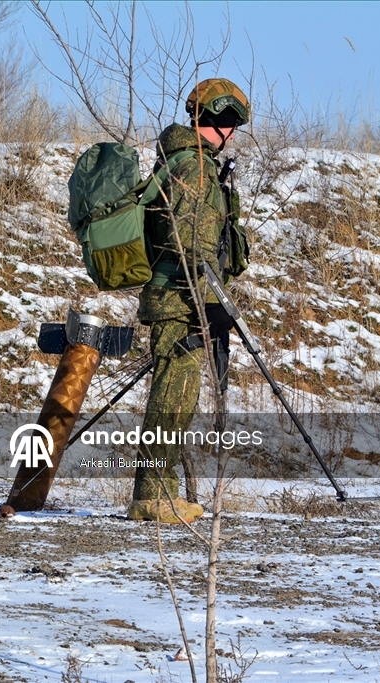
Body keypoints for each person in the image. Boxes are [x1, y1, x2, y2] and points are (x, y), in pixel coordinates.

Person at [127, 78, 251, 523]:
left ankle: (155, 491)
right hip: (182, 297)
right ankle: (154, 495)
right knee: (174, 394)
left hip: (179, 294)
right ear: (221, 122)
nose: (233, 134)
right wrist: (212, 306)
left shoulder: (183, 161)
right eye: (231, 124)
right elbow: (192, 250)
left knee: (173, 392)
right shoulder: (195, 168)